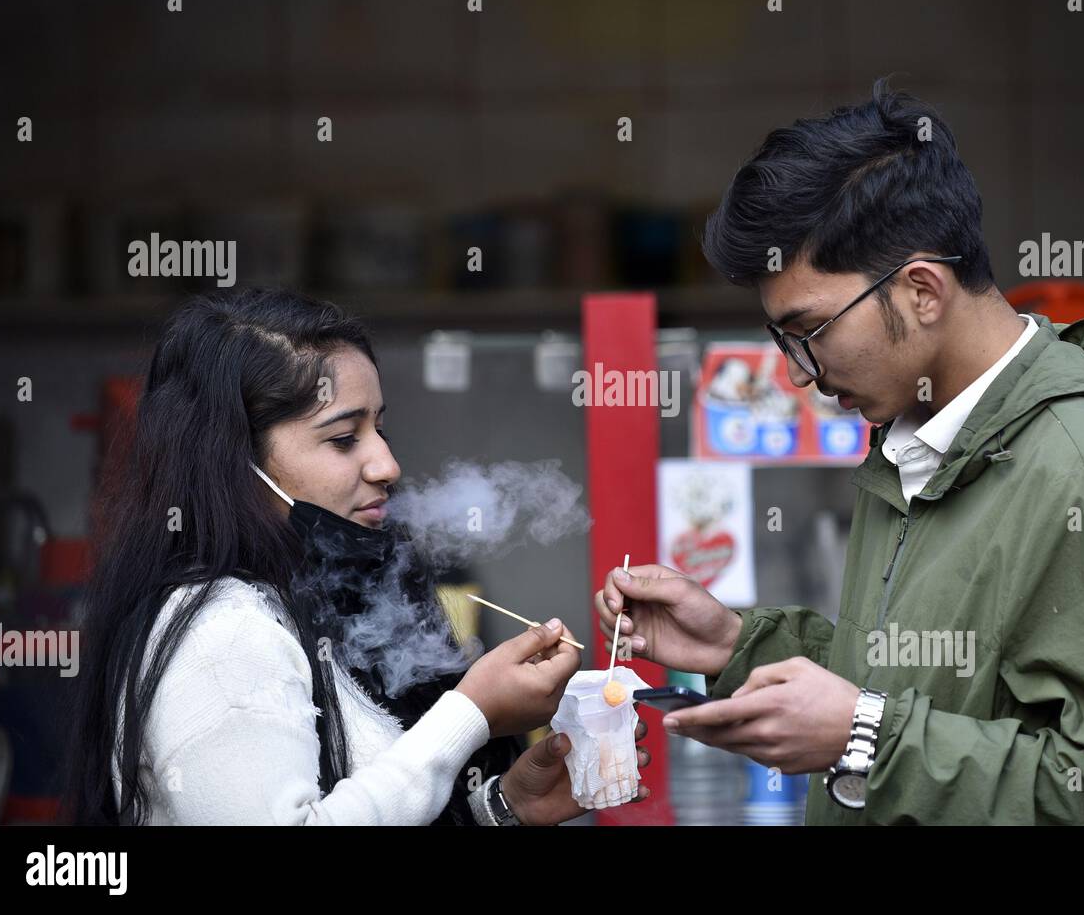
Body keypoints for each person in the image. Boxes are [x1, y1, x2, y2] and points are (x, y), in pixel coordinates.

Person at [595, 79, 1084, 824]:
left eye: (810, 329)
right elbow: (921, 685)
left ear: (922, 289)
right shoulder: (915, 442)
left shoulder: (1083, 469)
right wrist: (735, 643)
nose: (798, 372)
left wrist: (866, 740)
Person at [59, 287, 649, 825]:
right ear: (233, 461)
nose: (386, 465)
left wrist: (502, 806)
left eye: (379, 429)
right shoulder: (222, 629)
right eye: (343, 439)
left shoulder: (310, 602)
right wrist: (470, 714)